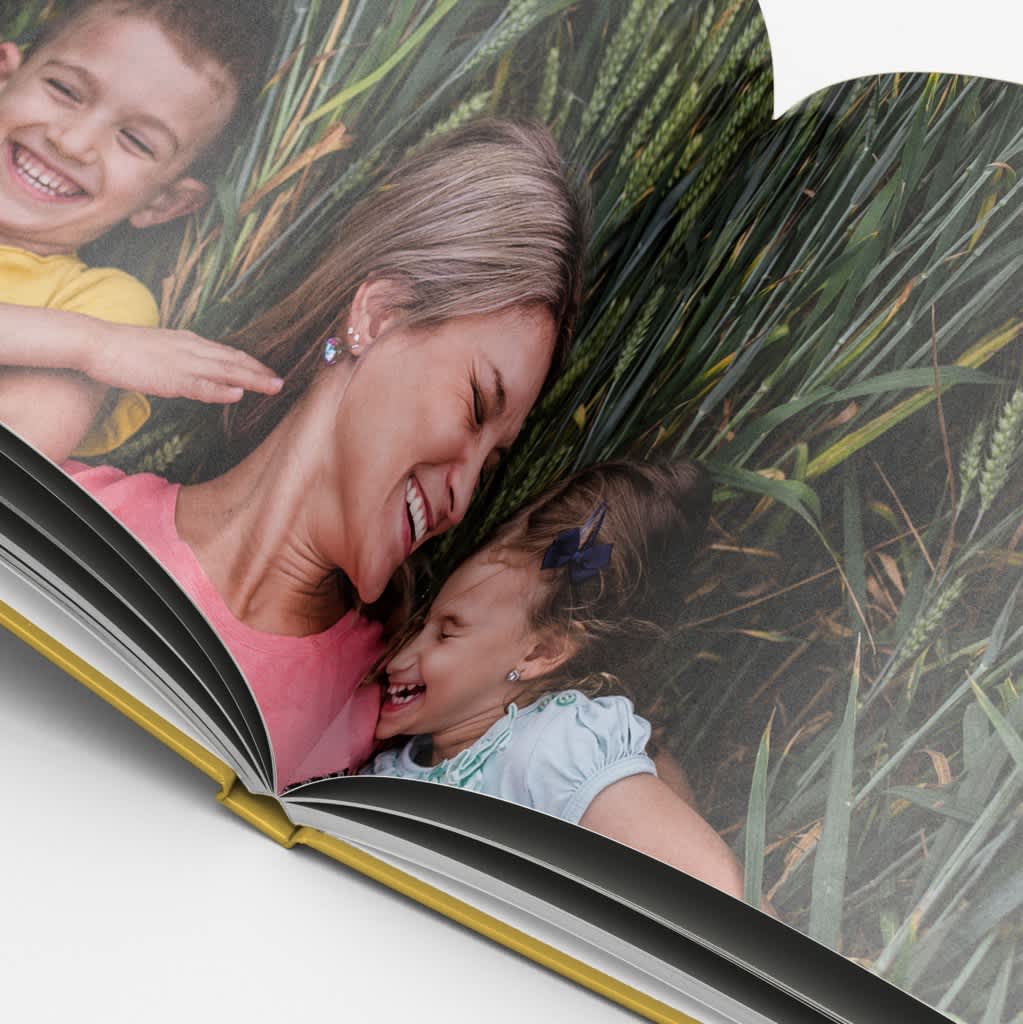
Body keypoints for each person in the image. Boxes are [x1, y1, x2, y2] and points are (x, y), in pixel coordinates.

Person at [63, 120, 589, 791]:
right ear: (379, 313)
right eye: (476, 406)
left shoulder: (395, 697)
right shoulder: (69, 510)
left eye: (490, 466)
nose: (460, 494)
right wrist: (82, 343)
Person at [362, 460, 745, 899]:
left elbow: (713, 886)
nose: (403, 655)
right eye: (420, 624)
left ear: (540, 654)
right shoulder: (414, 755)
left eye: (447, 633)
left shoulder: (547, 750)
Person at [0, 0, 282, 463]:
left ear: (164, 202)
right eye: (65, 89)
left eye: (135, 140)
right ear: (4, 72)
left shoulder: (104, 306)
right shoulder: (100, 340)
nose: (71, 142)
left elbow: (16, 463)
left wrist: (98, 338)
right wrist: (87, 346)